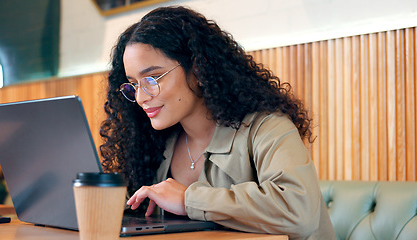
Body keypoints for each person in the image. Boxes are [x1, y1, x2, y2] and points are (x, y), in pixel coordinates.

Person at [100, 6, 336, 240]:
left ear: (196, 68)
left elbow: (299, 213)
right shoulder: (156, 144)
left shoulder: (267, 127)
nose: (141, 97)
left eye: (152, 78)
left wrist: (188, 200)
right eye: (133, 84)